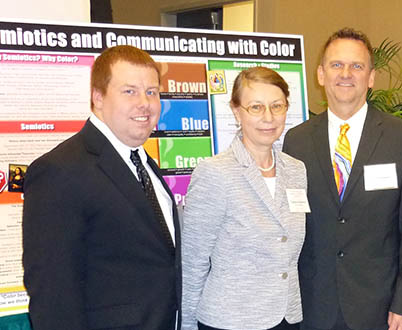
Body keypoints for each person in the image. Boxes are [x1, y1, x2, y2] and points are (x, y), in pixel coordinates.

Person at [22, 45, 181, 329]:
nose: (144, 103)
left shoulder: (143, 163)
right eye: (129, 91)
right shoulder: (60, 170)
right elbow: (52, 292)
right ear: (98, 97)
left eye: (152, 92)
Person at [282, 27, 402, 330]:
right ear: (321, 74)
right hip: (312, 305)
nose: (346, 74)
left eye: (357, 66)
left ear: (371, 77)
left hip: (379, 307)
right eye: (336, 65)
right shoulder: (296, 141)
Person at [181, 67, 307, 330]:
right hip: (230, 320)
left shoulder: (296, 170)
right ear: (237, 111)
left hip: (286, 317)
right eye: (256, 108)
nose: (268, 117)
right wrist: (188, 324)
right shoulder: (215, 172)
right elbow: (193, 261)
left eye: (277, 106)